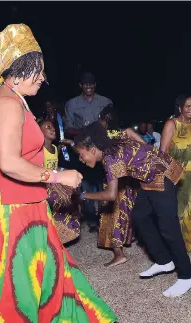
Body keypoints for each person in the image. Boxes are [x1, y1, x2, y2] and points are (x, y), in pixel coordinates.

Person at [0, 24, 116, 323]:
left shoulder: (17, 101)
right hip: (10, 206)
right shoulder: (6, 105)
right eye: (37, 70)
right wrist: (58, 177)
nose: (43, 77)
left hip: (28, 202)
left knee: (49, 272)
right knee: (16, 288)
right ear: (20, 68)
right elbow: (9, 164)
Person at [73, 122, 191, 297]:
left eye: (81, 155)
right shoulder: (111, 141)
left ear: (92, 149)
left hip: (163, 175)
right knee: (139, 216)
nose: (81, 159)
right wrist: (146, 151)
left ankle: (187, 275)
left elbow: (110, 195)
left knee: (168, 228)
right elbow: (128, 131)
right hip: (148, 180)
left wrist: (83, 196)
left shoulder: (111, 160)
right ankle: (164, 261)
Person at [160, 94, 191, 251]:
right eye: (187, 106)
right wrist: (170, 176)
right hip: (177, 175)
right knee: (180, 212)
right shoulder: (172, 124)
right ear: (180, 108)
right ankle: (180, 245)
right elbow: (163, 153)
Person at [64, 72, 113, 233]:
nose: (89, 86)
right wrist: (86, 131)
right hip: (85, 151)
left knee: (105, 183)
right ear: (80, 86)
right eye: (85, 84)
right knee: (86, 184)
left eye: (91, 83)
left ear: (95, 85)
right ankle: (92, 220)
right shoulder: (72, 104)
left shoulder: (105, 101)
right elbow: (68, 128)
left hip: (102, 151)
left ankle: (106, 218)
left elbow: (112, 124)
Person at [96, 107, 143, 267]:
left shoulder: (101, 137)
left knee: (112, 216)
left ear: (103, 119)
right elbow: (145, 149)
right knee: (128, 212)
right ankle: (131, 240)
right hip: (129, 181)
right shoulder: (128, 132)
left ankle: (119, 254)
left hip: (112, 180)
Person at [39, 119, 81, 245]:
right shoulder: (39, 150)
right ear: (39, 132)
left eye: (53, 127)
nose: (53, 129)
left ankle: (64, 234)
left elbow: (55, 167)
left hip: (55, 183)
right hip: (45, 184)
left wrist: (64, 171)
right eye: (48, 127)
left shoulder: (54, 148)